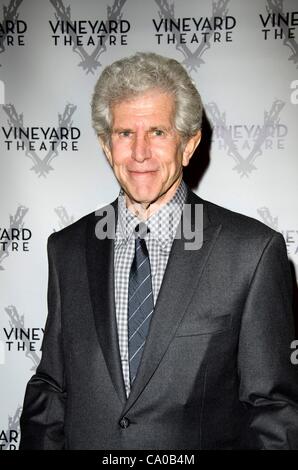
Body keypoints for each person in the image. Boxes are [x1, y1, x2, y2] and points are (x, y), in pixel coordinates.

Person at [19, 52, 298, 450]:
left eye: (158, 132)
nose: (139, 153)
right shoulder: (66, 249)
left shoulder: (251, 252)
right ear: (105, 144)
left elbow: (273, 412)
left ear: (189, 144)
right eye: (124, 133)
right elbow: (51, 391)